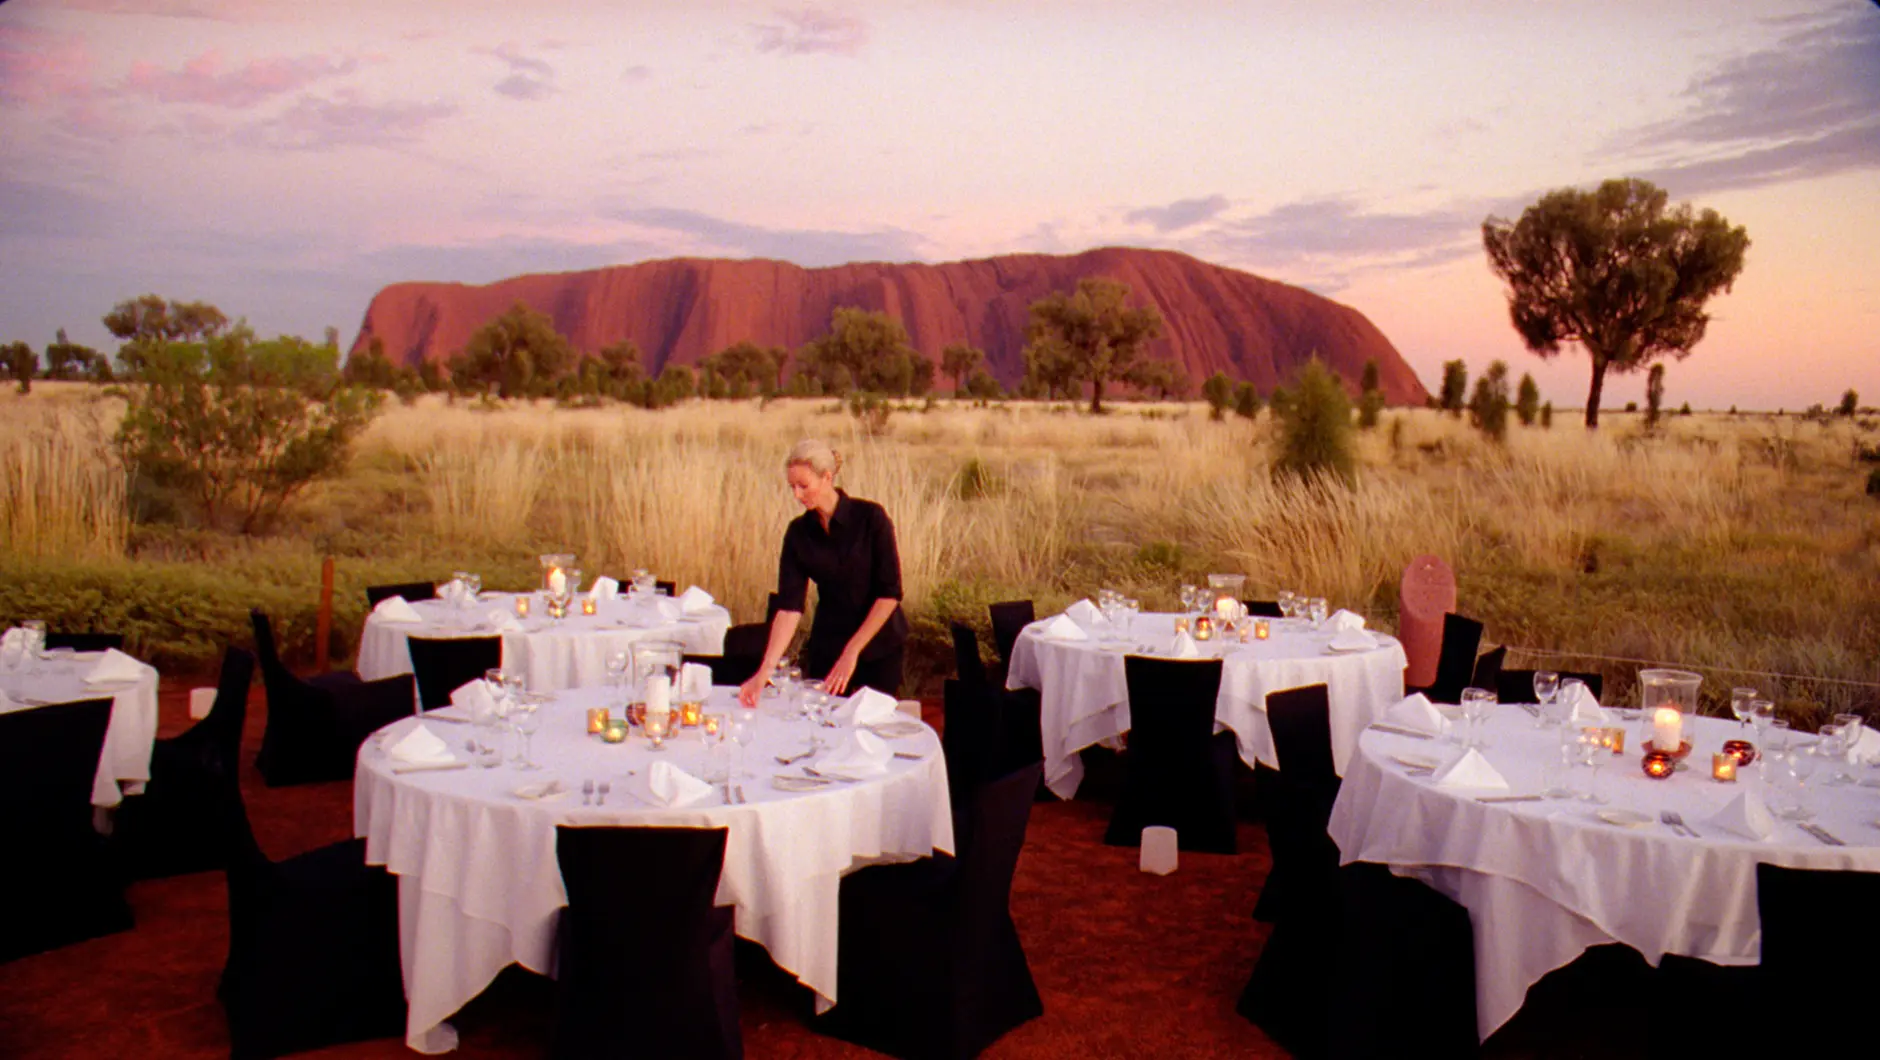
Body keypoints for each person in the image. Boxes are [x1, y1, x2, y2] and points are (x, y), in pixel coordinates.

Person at [739, 439, 907, 706]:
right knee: (823, 728)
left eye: (803, 486)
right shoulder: (798, 533)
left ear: (827, 477)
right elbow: (789, 607)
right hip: (827, 647)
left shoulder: (871, 518)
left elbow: (889, 594)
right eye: (791, 487)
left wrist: (852, 652)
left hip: (878, 648)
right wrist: (764, 671)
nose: (796, 494)